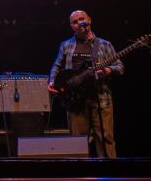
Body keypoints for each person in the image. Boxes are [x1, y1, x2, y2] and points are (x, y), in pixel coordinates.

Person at [48, 10, 124, 157]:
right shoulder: (66, 45)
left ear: (89, 20)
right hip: (75, 101)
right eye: (74, 22)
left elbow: (120, 67)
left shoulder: (104, 44)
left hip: (101, 100)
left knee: (105, 139)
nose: (79, 23)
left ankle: (110, 174)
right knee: (77, 143)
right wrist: (52, 81)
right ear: (71, 26)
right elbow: (57, 65)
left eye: (81, 19)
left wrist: (108, 70)